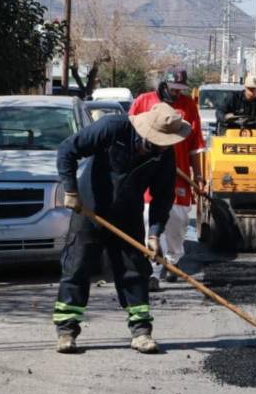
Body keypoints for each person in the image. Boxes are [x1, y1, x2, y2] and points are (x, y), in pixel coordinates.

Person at [54, 102, 191, 354]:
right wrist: (71, 189)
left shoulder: (164, 154)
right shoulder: (112, 128)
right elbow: (67, 150)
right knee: (78, 267)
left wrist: (154, 233)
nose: (163, 145)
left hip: (128, 214)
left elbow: (163, 195)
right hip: (90, 209)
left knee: (134, 271)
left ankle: (141, 331)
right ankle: (66, 330)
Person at [130, 68, 205, 287]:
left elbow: (195, 145)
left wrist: (198, 175)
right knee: (149, 219)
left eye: (180, 89)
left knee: (179, 220)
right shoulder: (144, 101)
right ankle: (153, 269)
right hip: (147, 173)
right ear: (164, 85)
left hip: (178, 174)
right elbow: (130, 130)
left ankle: (173, 261)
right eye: (173, 88)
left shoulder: (188, 105)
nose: (176, 93)